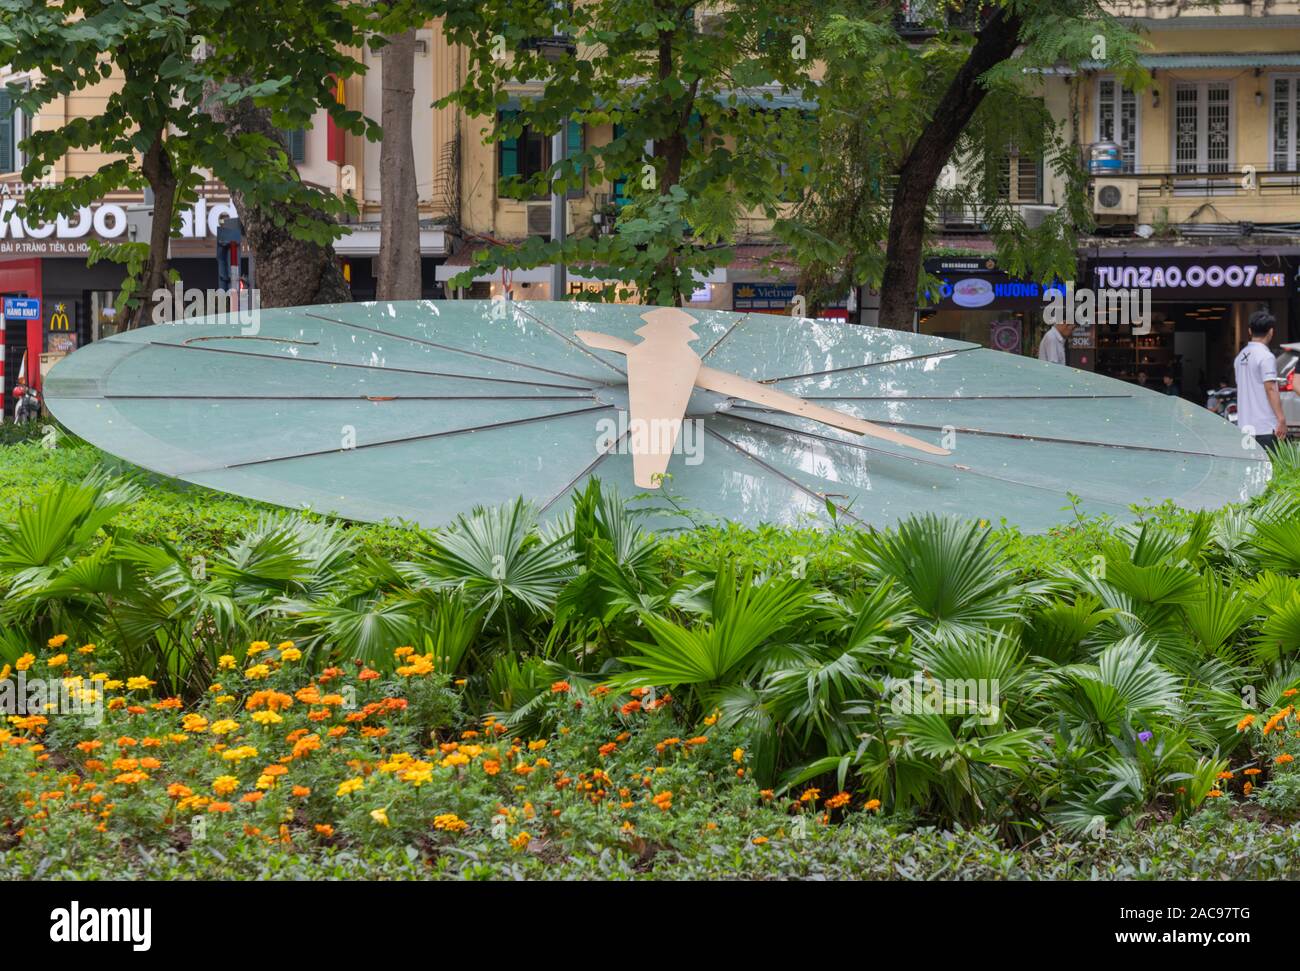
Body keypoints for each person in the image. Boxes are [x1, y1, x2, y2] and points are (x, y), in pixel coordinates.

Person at [1233, 309, 1288, 450]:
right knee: (1269, 468)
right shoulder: (1266, 356)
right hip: (1265, 427)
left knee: (1249, 468)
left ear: (1250, 331)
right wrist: (1281, 418)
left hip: (1245, 426)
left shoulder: (1240, 357)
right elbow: (1270, 388)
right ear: (1271, 331)